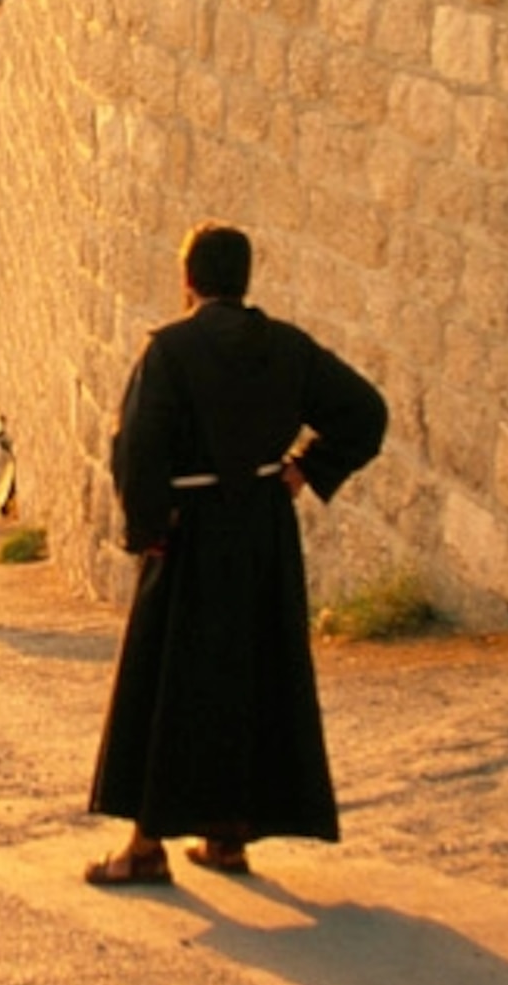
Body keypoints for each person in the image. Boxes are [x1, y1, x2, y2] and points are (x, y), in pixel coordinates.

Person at [83, 223, 388, 887]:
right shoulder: (288, 348)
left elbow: (137, 447)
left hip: (188, 530)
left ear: (188, 279)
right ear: (245, 279)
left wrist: (145, 530)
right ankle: (228, 835)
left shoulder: (170, 350)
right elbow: (366, 412)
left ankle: (144, 844)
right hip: (261, 533)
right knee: (249, 676)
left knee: (167, 684)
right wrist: (304, 468)